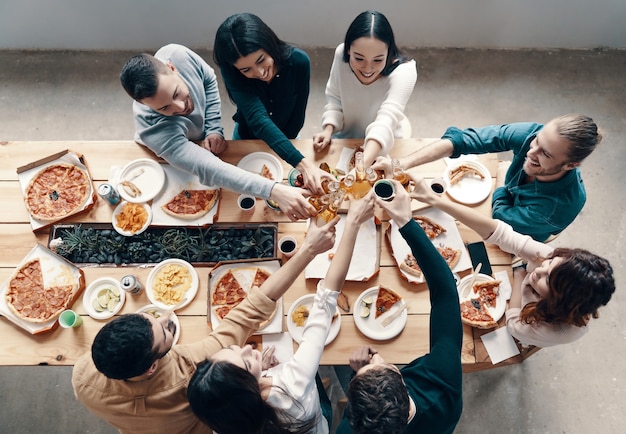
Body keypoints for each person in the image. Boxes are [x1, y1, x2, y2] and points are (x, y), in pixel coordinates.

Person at [71, 218, 339, 434]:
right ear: (152, 366)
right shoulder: (193, 370)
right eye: (165, 331)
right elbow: (251, 309)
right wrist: (309, 250)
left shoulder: (82, 378)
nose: (167, 318)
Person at [187, 193, 375, 434]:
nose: (248, 348)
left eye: (234, 347)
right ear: (249, 390)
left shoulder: (226, 419)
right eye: (246, 361)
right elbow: (326, 299)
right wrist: (353, 223)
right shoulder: (293, 383)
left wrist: (259, 371)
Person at [409, 174, 615, 347]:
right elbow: (500, 233)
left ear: (559, 300)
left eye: (546, 279)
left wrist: (519, 279)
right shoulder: (549, 257)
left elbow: (514, 325)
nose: (540, 267)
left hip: (520, 317)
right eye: (549, 264)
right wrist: (435, 201)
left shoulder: (550, 330)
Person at [120, 43, 315, 221]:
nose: (181, 108)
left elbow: (208, 78)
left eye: (176, 93)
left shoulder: (177, 55)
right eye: (164, 109)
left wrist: (213, 127)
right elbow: (210, 169)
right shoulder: (153, 130)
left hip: (202, 139)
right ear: (144, 105)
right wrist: (274, 190)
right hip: (169, 155)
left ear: (172, 68)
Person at [336, 180, 463, 434]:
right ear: (401, 381)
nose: (376, 358)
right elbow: (446, 293)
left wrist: (356, 375)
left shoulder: (347, 431)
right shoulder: (444, 388)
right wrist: (407, 222)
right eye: (381, 364)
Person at [375, 114, 602, 241]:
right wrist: (400, 164)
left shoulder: (558, 207)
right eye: (537, 141)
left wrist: (502, 184)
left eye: (545, 153)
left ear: (572, 165)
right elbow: (464, 140)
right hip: (500, 211)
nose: (531, 152)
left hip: (518, 237)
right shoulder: (533, 136)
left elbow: (501, 221)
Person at [213, 13, 330, 195]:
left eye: (261, 60)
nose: (259, 72)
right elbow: (257, 119)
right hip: (247, 137)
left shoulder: (299, 62)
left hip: (288, 139)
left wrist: (292, 154)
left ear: (269, 43)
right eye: (246, 69)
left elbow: (298, 114)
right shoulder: (232, 72)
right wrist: (303, 164)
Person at [313, 10, 418, 167]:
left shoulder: (404, 72)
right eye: (359, 58)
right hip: (346, 139)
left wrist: (361, 165)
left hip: (384, 144)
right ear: (348, 50)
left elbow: (385, 122)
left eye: (378, 59)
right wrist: (328, 129)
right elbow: (335, 97)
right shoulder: (341, 56)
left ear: (389, 52)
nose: (368, 69)